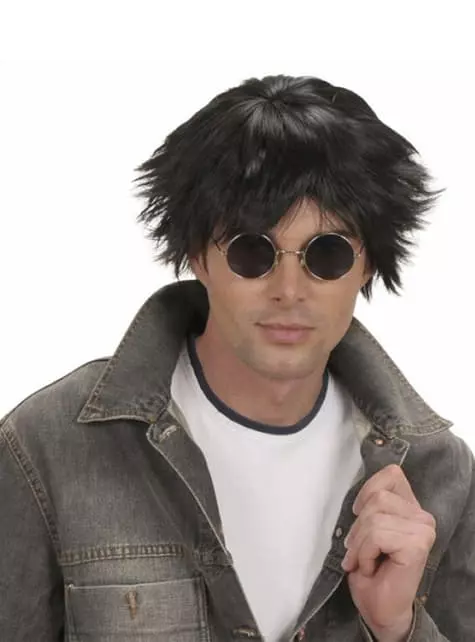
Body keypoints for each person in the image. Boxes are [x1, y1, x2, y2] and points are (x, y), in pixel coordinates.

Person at [1, 74, 474, 642]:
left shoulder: (438, 472)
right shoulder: (47, 446)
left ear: (366, 263)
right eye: (253, 252)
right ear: (198, 255)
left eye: (327, 254)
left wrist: (397, 627)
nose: (289, 291)